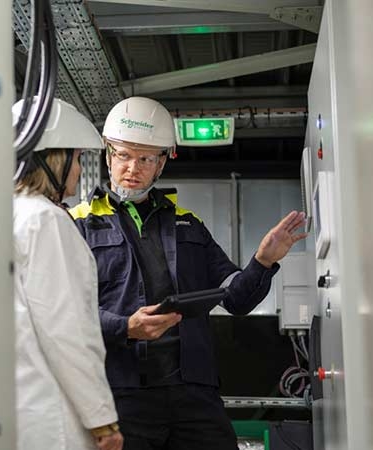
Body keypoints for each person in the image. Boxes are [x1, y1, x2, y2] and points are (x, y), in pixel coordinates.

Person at [70, 96, 307, 450]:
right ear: (107, 154)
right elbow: (67, 313)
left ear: (163, 162)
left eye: (146, 158)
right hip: (121, 391)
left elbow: (237, 299)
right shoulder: (78, 224)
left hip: (193, 393)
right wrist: (125, 327)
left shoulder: (188, 225)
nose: (132, 168)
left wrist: (263, 260)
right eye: (123, 155)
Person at [13, 97, 124, 450]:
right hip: (52, 419)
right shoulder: (46, 220)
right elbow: (68, 330)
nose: (78, 171)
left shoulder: (1, 217)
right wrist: (102, 420)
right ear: (53, 161)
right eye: (76, 159)